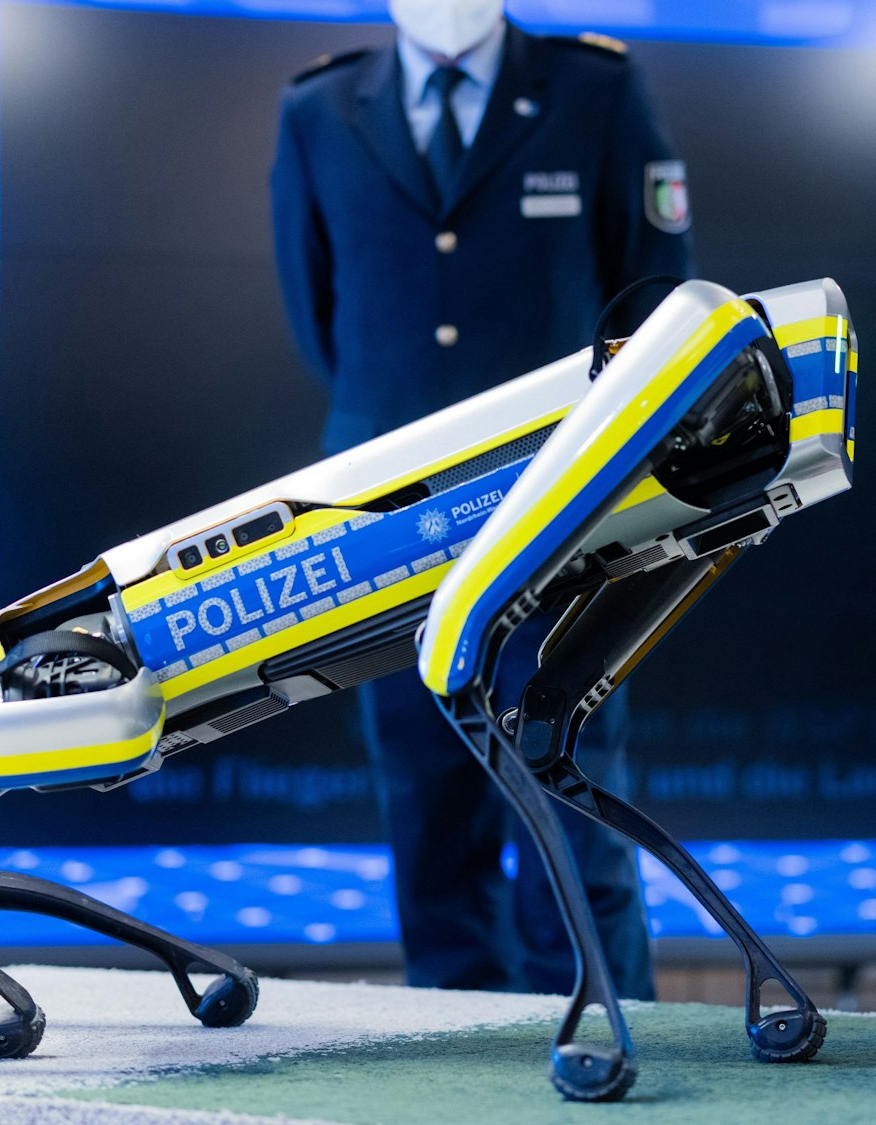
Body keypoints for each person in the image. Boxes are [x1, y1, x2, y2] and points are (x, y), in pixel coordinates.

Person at [269, 0, 693, 997]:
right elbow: (318, 313)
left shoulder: (593, 88)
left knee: (567, 788)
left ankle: (603, 1035)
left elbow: (654, 295)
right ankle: (452, 1052)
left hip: (559, 508)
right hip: (386, 520)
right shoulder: (321, 107)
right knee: (427, 809)